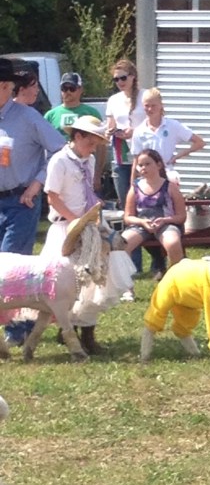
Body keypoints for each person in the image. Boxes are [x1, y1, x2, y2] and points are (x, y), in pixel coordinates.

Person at [42, 116, 134, 354]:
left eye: (96, 145)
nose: (92, 149)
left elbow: (87, 191)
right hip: (66, 227)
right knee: (67, 282)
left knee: (96, 277)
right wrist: (76, 222)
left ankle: (88, 332)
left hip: (89, 225)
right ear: (77, 136)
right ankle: (67, 328)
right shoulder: (59, 161)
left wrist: (90, 220)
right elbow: (52, 197)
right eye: (90, 143)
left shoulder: (89, 160)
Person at [0, 57, 66, 344]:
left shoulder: (28, 117)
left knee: (11, 266)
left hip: (21, 202)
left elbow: (59, 150)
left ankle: (17, 330)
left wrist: (38, 183)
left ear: (5, 86)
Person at [105, 59, 148, 276]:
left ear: (133, 76)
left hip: (143, 158)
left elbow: (156, 121)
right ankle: (134, 263)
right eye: (116, 79)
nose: (120, 82)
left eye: (123, 77)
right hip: (121, 158)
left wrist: (135, 131)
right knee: (127, 209)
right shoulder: (113, 100)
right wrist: (110, 131)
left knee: (148, 207)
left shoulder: (145, 96)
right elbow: (110, 125)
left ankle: (158, 258)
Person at [121, 149, 187, 267]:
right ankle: (126, 277)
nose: (143, 168)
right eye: (140, 165)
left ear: (159, 165)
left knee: (172, 243)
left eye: (147, 164)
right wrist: (142, 222)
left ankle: (176, 274)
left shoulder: (170, 187)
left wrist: (165, 220)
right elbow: (128, 217)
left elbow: (181, 216)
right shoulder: (135, 188)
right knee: (121, 245)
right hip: (141, 225)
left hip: (166, 224)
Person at [44, 72, 107, 193]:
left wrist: (98, 174)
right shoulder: (50, 115)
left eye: (71, 88)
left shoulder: (91, 113)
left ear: (80, 89)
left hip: (85, 166)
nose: (67, 92)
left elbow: (101, 146)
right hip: (60, 167)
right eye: (64, 88)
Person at [129, 88, 205, 180]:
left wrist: (177, 156)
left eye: (153, 105)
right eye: (147, 106)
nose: (150, 109)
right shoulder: (139, 131)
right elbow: (136, 160)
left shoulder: (172, 125)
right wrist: (132, 184)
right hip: (147, 177)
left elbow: (199, 142)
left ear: (161, 105)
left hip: (167, 174)